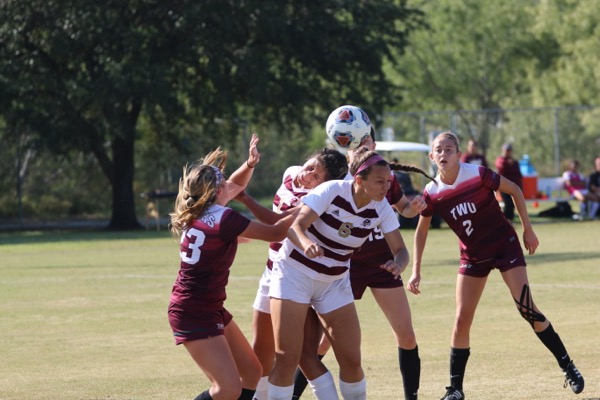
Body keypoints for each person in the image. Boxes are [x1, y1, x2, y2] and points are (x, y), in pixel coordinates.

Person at [407, 131, 585, 400]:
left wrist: (528, 229)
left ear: (458, 154)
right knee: (461, 319)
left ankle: (568, 366)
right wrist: (416, 270)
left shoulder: (477, 174)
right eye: (438, 150)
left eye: (448, 149)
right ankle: (455, 389)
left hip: (504, 247)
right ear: (431, 157)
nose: (443, 154)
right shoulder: (432, 193)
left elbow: (513, 189)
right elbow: (421, 231)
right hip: (473, 257)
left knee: (528, 309)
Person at [292, 131, 435, 400]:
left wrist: (413, 209)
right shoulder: (339, 183)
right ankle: (292, 394)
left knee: (405, 333)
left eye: (366, 144)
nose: (362, 149)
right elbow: (301, 217)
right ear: (347, 151)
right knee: (323, 341)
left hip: (381, 261)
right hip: (347, 263)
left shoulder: (382, 180)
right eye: (356, 145)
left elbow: (403, 212)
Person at [267, 148, 411, 400]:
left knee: (352, 359)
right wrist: (305, 243)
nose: (385, 187)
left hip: (334, 282)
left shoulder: (382, 208)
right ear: (359, 180)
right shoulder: (332, 190)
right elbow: (296, 225)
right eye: (379, 182)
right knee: (286, 358)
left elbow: (401, 250)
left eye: (387, 182)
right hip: (294, 274)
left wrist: (398, 264)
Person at [167, 134, 298, 400]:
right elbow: (276, 233)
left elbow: (233, 187)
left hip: (207, 306)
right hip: (194, 311)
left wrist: (249, 165)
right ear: (217, 191)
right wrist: (311, 204)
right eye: (224, 184)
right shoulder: (223, 218)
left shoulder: (195, 211)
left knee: (251, 371)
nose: (230, 185)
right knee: (226, 389)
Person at [233, 148, 349, 400]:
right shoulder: (291, 172)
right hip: (271, 270)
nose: (307, 175)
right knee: (261, 350)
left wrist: (245, 199)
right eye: (309, 166)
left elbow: (275, 224)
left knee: (300, 357)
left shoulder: (317, 197)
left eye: (316, 176)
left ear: (324, 185)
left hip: (295, 275)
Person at [494, 143, 522, 222]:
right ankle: (505, 221)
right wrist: (508, 163)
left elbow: (518, 174)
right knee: (507, 204)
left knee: (512, 205)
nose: (508, 152)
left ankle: (510, 220)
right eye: (507, 150)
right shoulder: (501, 160)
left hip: (513, 186)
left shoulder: (514, 162)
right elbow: (500, 167)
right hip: (504, 186)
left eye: (509, 150)